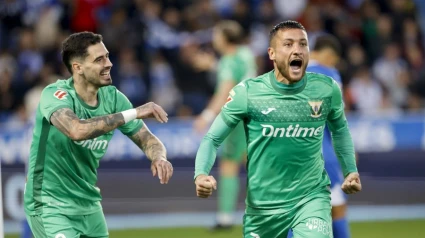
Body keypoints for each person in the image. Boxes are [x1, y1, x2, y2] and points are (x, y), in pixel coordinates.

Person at [194, 20, 361, 238]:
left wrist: (350, 169)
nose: (297, 50)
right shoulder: (247, 93)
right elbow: (212, 138)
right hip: (264, 207)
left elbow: (340, 130)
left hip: (311, 198)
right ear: (271, 53)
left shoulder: (326, 88)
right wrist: (201, 174)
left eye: (303, 44)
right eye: (289, 44)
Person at [24, 32, 173, 238]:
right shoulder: (55, 95)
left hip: (89, 204)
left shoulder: (113, 98)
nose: (109, 63)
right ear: (78, 68)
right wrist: (135, 112)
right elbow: (76, 130)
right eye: (99, 59)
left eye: (108, 56)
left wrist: (159, 157)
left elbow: (147, 139)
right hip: (50, 203)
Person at [192, 20, 257, 230]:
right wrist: (212, 65)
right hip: (254, 113)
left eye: (217, 35)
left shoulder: (229, 59)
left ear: (225, 38)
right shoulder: (245, 54)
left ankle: (225, 217)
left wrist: (207, 114)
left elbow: (226, 89)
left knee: (229, 165)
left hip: (237, 117)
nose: (214, 38)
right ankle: (270, 208)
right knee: (256, 163)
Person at [287, 35, 352, 238]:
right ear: (328, 54)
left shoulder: (289, 71)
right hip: (321, 151)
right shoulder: (329, 74)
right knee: (337, 207)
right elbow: (338, 120)